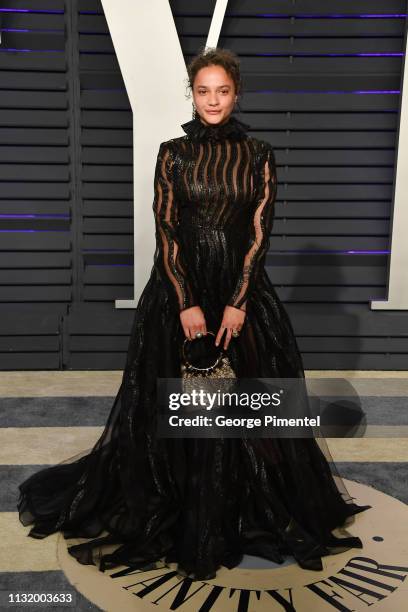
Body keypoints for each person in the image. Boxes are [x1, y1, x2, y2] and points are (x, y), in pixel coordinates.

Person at [17, 47, 371, 582]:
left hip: (239, 290)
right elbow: (166, 231)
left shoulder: (258, 153)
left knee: (251, 405)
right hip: (179, 292)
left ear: (236, 94)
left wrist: (239, 299)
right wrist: (185, 300)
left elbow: (259, 231)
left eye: (222, 91)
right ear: (193, 93)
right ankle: (187, 507)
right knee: (178, 408)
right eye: (203, 90)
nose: (212, 100)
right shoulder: (172, 153)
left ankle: (244, 509)